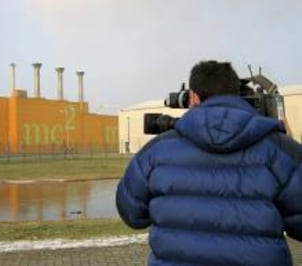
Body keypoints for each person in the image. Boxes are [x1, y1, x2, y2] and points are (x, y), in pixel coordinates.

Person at [116, 60, 302, 265]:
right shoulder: (280, 150)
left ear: (194, 97)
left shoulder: (155, 151)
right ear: (236, 94)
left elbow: (131, 213)